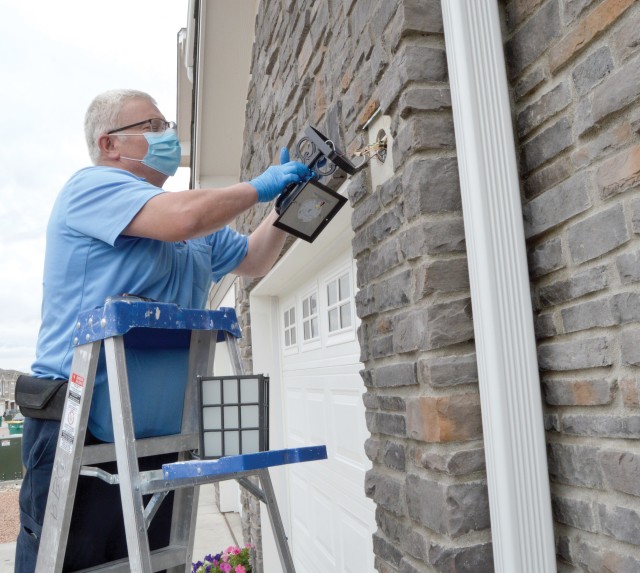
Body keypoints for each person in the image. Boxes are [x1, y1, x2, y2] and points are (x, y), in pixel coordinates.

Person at [15, 88, 312, 572]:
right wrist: (259, 186)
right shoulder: (91, 187)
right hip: (80, 424)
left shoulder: (188, 223)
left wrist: (290, 200)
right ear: (109, 144)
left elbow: (255, 258)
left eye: (167, 124)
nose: (167, 134)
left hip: (157, 436)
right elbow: (185, 218)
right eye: (151, 126)